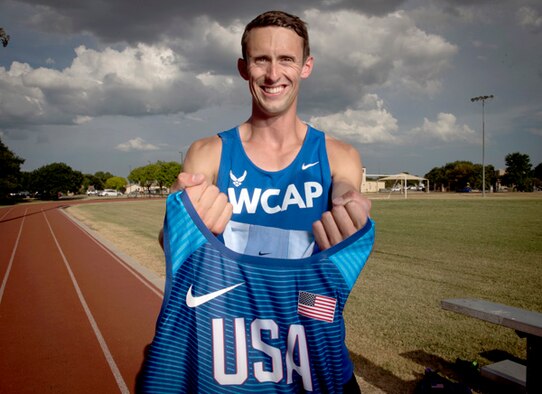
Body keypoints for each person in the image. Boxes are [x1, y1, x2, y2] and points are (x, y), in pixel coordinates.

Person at [142, 10, 373, 393]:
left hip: (314, 356)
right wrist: (184, 220)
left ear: (306, 67)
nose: (272, 74)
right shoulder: (208, 152)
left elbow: (346, 189)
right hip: (230, 365)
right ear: (243, 67)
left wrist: (349, 203)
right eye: (261, 59)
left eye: (286, 59)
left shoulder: (339, 154)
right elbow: (172, 247)